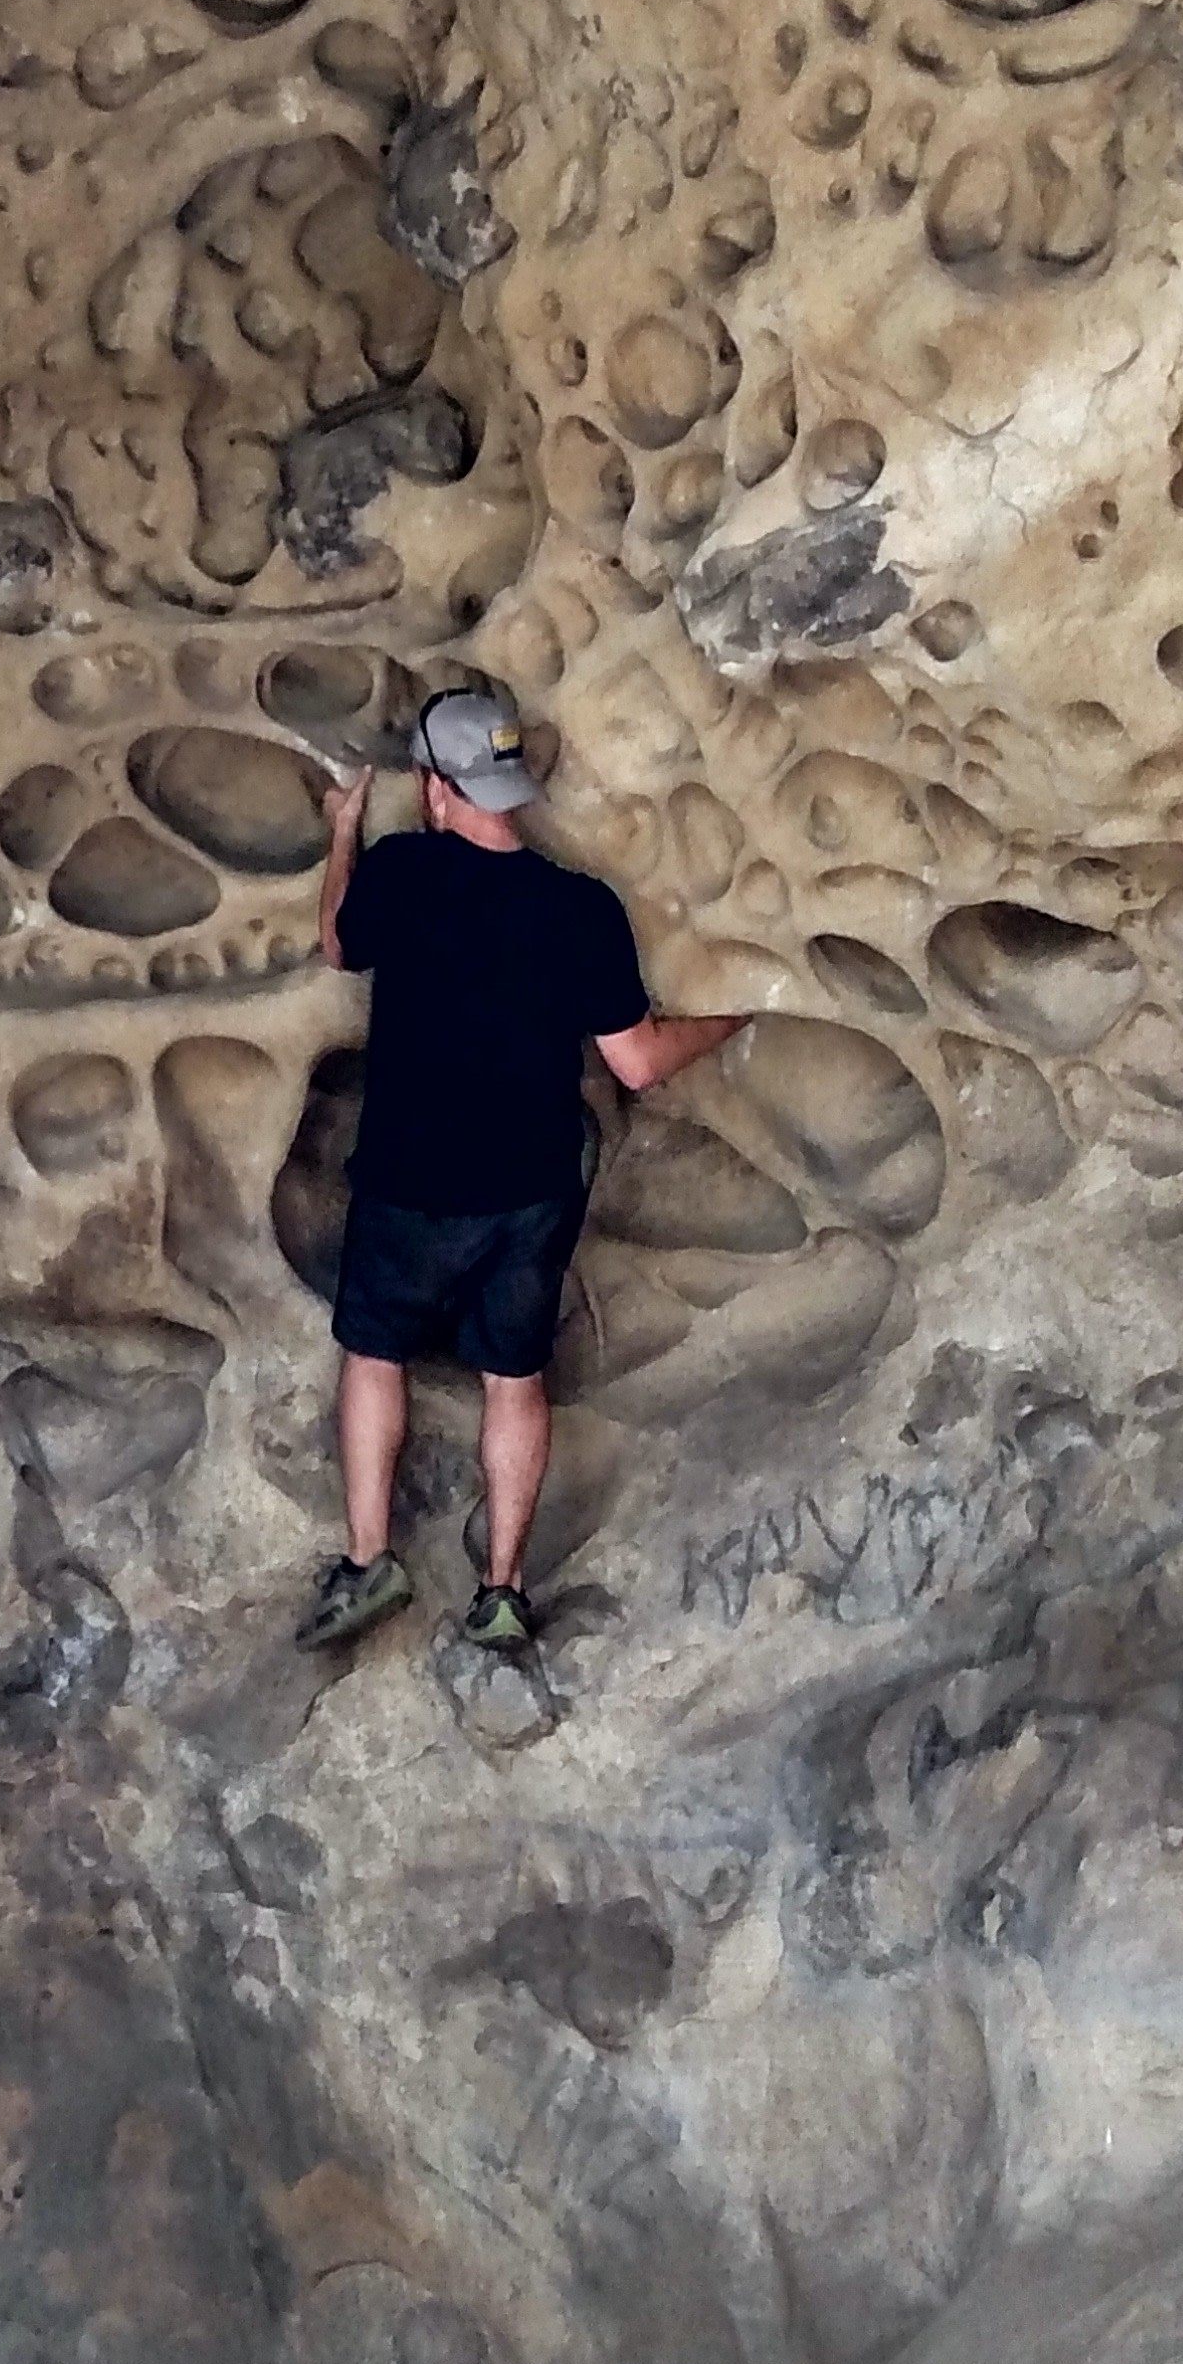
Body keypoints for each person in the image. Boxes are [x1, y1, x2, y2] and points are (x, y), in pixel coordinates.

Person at [294, 681, 740, 1662]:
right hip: (529, 1193)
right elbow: (638, 1062)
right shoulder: (579, 907)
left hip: (408, 1184)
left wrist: (343, 831)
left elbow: (337, 942)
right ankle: (500, 1591)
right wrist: (738, 1009)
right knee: (515, 1381)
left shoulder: (403, 873)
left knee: (373, 1356)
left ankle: (371, 1562)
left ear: (438, 788)